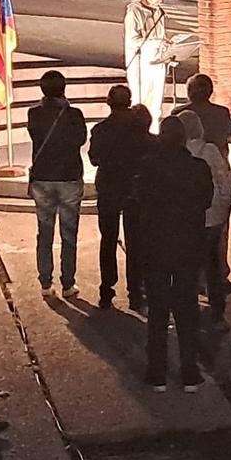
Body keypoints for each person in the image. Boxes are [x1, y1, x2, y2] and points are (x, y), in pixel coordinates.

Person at [136, 117, 213, 393]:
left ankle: (157, 372)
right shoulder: (198, 168)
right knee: (187, 307)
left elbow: (140, 201)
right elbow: (207, 201)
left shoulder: (147, 167)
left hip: (156, 245)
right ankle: (189, 371)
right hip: (188, 245)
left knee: (157, 309)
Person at [89, 85, 154, 310]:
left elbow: (94, 158)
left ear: (108, 102)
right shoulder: (139, 129)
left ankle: (107, 291)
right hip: (134, 190)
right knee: (135, 242)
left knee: (108, 240)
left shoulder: (101, 129)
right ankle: (136, 292)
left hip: (109, 188)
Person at [27, 71, 87, 298]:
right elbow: (80, 140)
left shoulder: (34, 114)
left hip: (43, 178)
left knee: (44, 232)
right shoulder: (74, 114)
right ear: (64, 88)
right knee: (69, 233)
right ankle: (68, 283)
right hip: (69, 177)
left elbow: (36, 137)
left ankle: (45, 283)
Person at [175, 111, 231, 330]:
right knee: (212, 265)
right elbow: (222, 181)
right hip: (211, 216)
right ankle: (217, 314)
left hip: (185, 218)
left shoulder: (176, 153)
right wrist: (224, 205)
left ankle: (188, 312)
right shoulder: (209, 151)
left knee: (187, 266)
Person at [123, 0, 169, 130]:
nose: (160, 0)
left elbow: (160, 34)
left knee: (156, 102)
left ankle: (154, 130)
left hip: (158, 61)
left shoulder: (159, 11)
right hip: (141, 63)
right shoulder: (134, 11)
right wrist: (156, 42)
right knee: (141, 100)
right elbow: (133, 40)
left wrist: (165, 43)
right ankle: (139, 132)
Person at [173, 74, 231, 157]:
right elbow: (228, 135)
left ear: (189, 91)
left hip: (187, 162)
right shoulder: (222, 112)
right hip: (218, 161)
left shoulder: (178, 112)